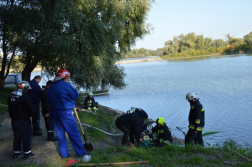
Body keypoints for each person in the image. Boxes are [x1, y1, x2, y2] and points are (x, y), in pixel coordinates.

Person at [47, 69, 87, 158]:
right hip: (65, 112)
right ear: (65, 77)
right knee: (73, 133)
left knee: (60, 134)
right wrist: (74, 90)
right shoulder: (66, 85)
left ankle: (64, 154)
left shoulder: (51, 86)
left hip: (54, 112)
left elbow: (48, 98)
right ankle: (81, 152)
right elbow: (75, 95)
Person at [8, 81, 37, 159]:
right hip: (23, 120)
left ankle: (16, 153)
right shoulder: (24, 97)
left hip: (14, 120)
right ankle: (27, 153)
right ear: (25, 88)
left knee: (17, 136)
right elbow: (31, 109)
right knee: (26, 136)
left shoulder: (11, 96)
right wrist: (34, 116)